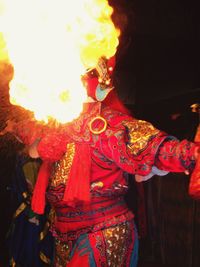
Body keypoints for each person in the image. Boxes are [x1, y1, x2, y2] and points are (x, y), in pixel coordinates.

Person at [1, 54, 199, 267]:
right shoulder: (53, 122)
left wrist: (191, 153)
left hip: (103, 229)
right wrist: (39, 145)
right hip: (61, 230)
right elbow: (22, 135)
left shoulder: (108, 125)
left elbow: (160, 150)